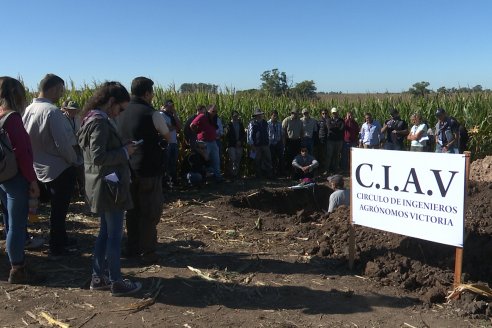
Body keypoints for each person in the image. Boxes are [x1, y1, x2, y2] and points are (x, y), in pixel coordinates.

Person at [78, 81, 141, 296]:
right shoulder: (100, 123)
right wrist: (125, 152)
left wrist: (122, 145)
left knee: (105, 233)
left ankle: (99, 278)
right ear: (111, 102)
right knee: (114, 236)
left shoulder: (91, 119)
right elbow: (98, 156)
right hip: (109, 186)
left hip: (101, 184)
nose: (119, 113)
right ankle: (116, 281)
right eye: (120, 108)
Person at [23, 74, 81, 258]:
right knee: (59, 210)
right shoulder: (52, 111)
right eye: (61, 90)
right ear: (54, 88)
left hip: (37, 167)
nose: (61, 94)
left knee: (55, 209)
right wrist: (73, 160)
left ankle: (60, 238)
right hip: (58, 168)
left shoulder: (28, 109)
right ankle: (57, 245)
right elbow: (62, 144)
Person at [117, 77, 171, 265]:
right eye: (152, 92)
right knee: (150, 211)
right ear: (147, 93)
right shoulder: (152, 113)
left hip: (127, 168)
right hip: (148, 169)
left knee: (132, 211)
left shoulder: (120, 112)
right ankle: (148, 252)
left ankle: (132, 247)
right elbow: (168, 136)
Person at [0, 76, 42, 284]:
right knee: (17, 224)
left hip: (2, 176)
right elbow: (23, 153)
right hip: (15, 177)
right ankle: (17, 268)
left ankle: (16, 261)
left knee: (9, 221)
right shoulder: (13, 118)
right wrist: (32, 181)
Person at [190, 104, 223, 181]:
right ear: (208, 110)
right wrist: (198, 132)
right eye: (213, 111)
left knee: (216, 160)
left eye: (216, 111)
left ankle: (217, 177)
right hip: (204, 142)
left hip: (213, 141)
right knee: (204, 161)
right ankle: (204, 178)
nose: (215, 113)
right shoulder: (202, 116)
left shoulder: (214, 118)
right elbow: (192, 125)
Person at [61, 100, 85, 198]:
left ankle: (82, 191)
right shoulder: (61, 119)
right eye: (71, 110)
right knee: (70, 170)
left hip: (78, 146)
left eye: (75, 110)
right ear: (66, 109)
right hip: (68, 147)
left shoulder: (77, 118)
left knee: (80, 169)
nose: (73, 112)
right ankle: (73, 193)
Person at [160, 99, 182, 187]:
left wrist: (175, 114)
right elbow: (166, 128)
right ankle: (165, 182)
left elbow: (179, 127)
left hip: (174, 142)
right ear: (165, 105)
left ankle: (173, 181)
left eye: (172, 106)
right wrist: (174, 127)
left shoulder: (172, 115)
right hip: (167, 143)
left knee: (173, 163)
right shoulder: (161, 115)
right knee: (166, 163)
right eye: (169, 106)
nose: (171, 107)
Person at [248, 108, 272, 178]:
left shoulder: (265, 122)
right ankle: (258, 175)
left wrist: (268, 142)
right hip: (256, 145)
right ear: (255, 116)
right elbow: (249, 135)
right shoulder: (252, 123)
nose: (260, 116)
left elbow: (269, 133)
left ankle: (269, 175)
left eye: (260, 114)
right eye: (258, 115)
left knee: (268, 159)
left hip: (265, 144)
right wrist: (252, 145)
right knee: (257, 161)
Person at [282, 109, 303, 176]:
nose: (296, 115)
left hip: (297, 141)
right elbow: (283, 132)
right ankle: (288, 172)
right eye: (295, 113)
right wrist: (284, 143)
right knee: (289, 157)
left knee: (296, 157)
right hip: (289, 141)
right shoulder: (286, 120)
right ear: (292, 113)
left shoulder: (299, 121)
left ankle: (295, 172)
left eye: (297, 113)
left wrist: (301, 140)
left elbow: (302, 131)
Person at [225, 110, 245, 178]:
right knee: (232, 159)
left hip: (239, 144)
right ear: (232, 116)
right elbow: (228, 136)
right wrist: (235, 142)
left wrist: (240, 141)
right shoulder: (229, 125)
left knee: (237, 160)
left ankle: (235, 174)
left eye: (237, 116)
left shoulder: (240, 124)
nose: (236, 117)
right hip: (232, 145)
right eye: (235, 116)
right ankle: (231, 173)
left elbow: (243, 134)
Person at [326, 107, 344, 174]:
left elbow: (342, 129)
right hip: (330, 140)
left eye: (335, 113)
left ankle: (336, 169)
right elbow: (329, 128)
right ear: (331, 113)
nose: (335, 114)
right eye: (333, 113)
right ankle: (327, 169)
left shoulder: (341, 120)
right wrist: (337, 127)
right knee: (329, 155)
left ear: (337, 113)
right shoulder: (328, 120)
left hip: (339, 141)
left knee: (337, 155)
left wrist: (334, 127)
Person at [267, 110, 283, 177]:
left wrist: (282, 143)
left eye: (276, 116)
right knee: (272, 159)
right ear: (271, 116)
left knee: (280, 158)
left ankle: (279, 173)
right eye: (274, 115)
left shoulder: (279, 123)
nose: (275, 117)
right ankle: (272, 173)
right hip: (271, 144)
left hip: (278, 143)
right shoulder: (267, 123)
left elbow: (281, 134)